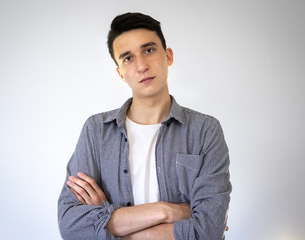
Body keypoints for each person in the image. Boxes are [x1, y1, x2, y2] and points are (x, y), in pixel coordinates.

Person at [58, 12, 232, 240]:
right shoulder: (96, 130)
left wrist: (110, 222)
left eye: (148, 50)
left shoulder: (205, 130)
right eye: (128, 58)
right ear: (120, 73)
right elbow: (72, 226)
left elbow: (208, 230)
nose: (141, 66)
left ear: (168, 56)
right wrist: (168, 211)